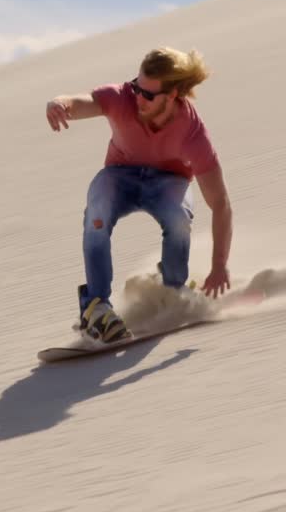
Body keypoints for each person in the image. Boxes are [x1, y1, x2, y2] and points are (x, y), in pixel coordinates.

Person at [45, 46, 234, 343]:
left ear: (172, 95)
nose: (138, 98)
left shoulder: (193, 135)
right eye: (136, 87)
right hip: (120, 176)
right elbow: (84, 102)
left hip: (168, 182)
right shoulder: (121, 98)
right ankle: (96, 308)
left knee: (178, 220)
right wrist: (58, 103)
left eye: (148, 94)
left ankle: (173, 290)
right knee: (96, 213)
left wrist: (219, 266)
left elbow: (221, 204)